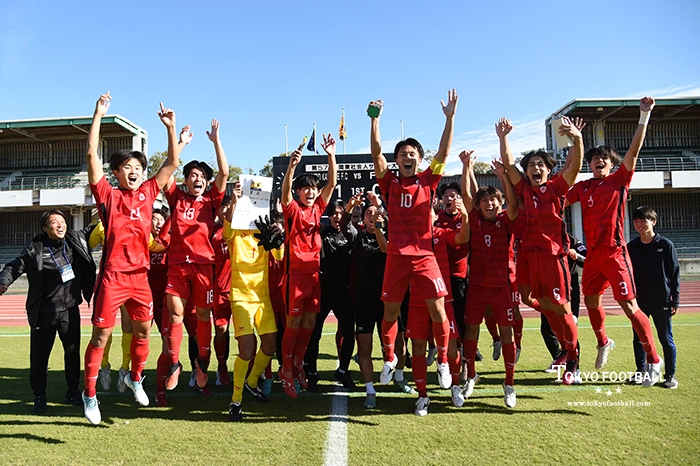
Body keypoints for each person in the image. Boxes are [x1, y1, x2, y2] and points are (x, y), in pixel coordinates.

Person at [81, 92, 184, 425]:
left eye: (139, 167)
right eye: (128, 167)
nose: (135, 171)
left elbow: (172, 163)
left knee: (142, 333)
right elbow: (91, 154)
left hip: (140, 278)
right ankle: (90, 395)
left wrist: (171, 128)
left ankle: (135, 377)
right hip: (112, 276)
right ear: (116, 172)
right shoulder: (107, 195)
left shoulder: (149, 192)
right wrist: (99, 114)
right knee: (101, 336)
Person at [368, 90, 459, 410]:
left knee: (438, 312)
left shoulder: (429, 180)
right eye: (402, 154)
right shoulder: (389, 183)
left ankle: (443, 361)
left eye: (412, 154)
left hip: (424, 257)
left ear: (419, 159)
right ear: (397, 160)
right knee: (390, 313)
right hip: (396, 256)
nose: (407, 157)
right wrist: (375, 120)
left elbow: (444, 151)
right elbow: (376, 153)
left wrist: (449, 119)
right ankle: (389, 358)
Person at [565, 97, 663, 387]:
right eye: (594, 158)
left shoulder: (619, 180)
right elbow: (557, 200)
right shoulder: (583, 187)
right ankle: (603, 341)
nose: (598, 161)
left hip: (615, 253)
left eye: (603, 158)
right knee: (590, 301)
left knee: (630, 307)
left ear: (612, 164)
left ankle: (654, 360)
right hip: (593, 255)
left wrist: (644, 115)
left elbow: (634, 150)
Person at [497, 115, 584, 385]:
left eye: (540, 164)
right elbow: (509, 164)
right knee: (531, 299)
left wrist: (577, 139)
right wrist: (503, 137)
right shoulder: (524, 189)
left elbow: (575, 167)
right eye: (531, 165)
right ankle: (566, 345)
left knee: (561, 308)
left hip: (552, 257)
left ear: (548, 170)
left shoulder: (557, 187)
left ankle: (573, 358)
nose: (535, 167)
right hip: (527, 257)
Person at [0, 210, 96, 414]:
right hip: (44, 313)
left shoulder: (75, 240)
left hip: (69, 310)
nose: (61, 225)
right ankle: (39, 396)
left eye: (63, 221)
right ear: (45, 228)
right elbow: (15, 266)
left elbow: (98, 227)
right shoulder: (34, 249)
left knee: (72, 354)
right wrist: (3, 282)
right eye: (55, 222)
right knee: (39, 357)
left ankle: (72, 392)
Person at [163, 119, 228, 393]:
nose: (197, 179)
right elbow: (168, 168)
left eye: (202, 175)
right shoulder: (176, 198)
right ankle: (174, 363)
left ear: (206, 181)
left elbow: (224, 172)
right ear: (186, 180)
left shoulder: (212, 200)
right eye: (192, 175)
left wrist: (216, 141)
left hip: (203, 267)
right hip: (178, 266)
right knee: (175, 314)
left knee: (203, 315)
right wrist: (179, 141)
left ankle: (202, 362)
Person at [280, 135, 338, 398]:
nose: (311, 192)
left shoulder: (318, 209)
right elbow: (284, 193)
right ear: (298, 192)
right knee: (293, 323)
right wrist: (292, 167)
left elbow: (332, 183)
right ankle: (286, 370)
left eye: (314, 188)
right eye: (306, 189)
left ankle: (297, 364)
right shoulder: (292, 210)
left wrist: (331, 155)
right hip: (295, 274)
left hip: (314, 274)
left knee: (310, 322)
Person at [460, 152, 519, 408]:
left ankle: (509, 383)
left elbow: (514, 204)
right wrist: (467, 167)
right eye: (484, 201)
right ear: (479, 205)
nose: (489, 204)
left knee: (506, 334)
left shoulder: (505, 221)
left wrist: (504, 176)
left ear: (499, 203)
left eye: (493, 200)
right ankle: (471, 376)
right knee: (471, 332)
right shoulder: (474, 219)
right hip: (476, 287)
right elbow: (466, 194)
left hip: (500, 288)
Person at [223, 183, 282, 421]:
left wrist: (277, 239)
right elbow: (227, 226)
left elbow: (279, 255)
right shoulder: (235, 232)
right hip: (241, 298)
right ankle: (235, 400)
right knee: (246, 350)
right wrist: (234, 201)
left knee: (270, 345)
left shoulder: (264, 229)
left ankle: (252, 381)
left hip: (262, 298)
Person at [304, 198, 357, 391]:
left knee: (349, 333)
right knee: (314, 334)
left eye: (340, 213)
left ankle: (343, 371)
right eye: (333, 213)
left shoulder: (351, 235)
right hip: (323, 292)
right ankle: (311, 372)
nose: (337, 216)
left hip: (344, 293)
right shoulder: (322, 234)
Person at [627, 206, 679, 389]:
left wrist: (675, 300)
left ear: (653, 221)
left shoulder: (665, 245)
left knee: (665, 338)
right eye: (636, 221)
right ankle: (641, 371)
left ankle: (670, 375)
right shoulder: (631, 247)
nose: (639, 224)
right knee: (638, 338)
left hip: (661, 300)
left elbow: (674, 274)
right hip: (639, 301)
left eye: (643, 220)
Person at [542, 233, 586, 371]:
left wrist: (576, 256)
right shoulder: (543, 238)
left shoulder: (572, 240)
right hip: (549, 288)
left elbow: (587, 259)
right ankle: (560, 356)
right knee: (547, 328)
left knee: (569, 326)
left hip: (569, 289)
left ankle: (575, 367)